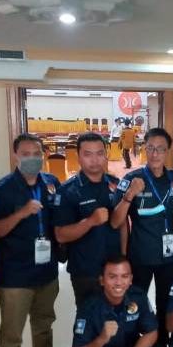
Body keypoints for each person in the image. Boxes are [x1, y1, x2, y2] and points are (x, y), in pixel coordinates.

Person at [0, 134, 70, 347]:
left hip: (46, 271)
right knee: (12, 336)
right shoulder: (2, 189)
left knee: (44, 323)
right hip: (15, 276)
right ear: (15, 156)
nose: (32, 158)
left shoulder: (51, 182)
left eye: (37, 153)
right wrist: (21, 213)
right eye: (26, 153)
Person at [111, 128, 173, 345]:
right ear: (144, 149)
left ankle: (161, 345)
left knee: (165, 302)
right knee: (135, 303)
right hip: (140, 255)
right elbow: (115, 221)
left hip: (167, 256)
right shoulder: (132, 179)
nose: (155, 154)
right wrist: (130, 195)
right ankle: (132, 345)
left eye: (161, 149)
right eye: (150, 148)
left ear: (168, 152)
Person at [54, 132, 123, 308]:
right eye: (88, 154)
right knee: (88, 317)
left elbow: (123, 225)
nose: (95, 160)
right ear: (78, 157)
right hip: (85, 270)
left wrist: (125, 257)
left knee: (116, 315)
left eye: (100, 153)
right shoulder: (68, 191)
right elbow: (61, 235)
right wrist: (90, 221)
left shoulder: (116, 184)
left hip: (115, 267)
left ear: (106, 155)